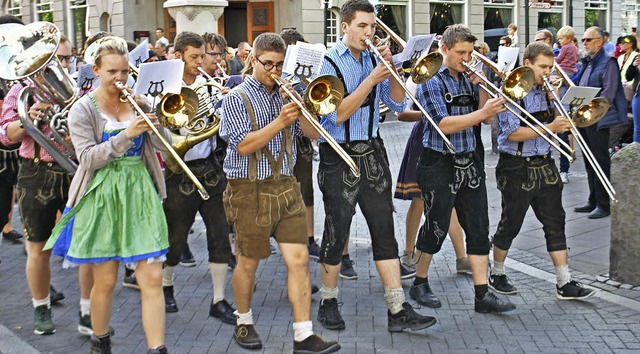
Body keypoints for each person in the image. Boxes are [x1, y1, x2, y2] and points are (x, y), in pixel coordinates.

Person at [43, 36, 170, 353]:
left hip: (139, 193)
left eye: (125, 72)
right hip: (101, 195)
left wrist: (158, 122)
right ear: (96, 70)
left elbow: (165, 146)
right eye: (113, 71)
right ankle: (100, 340)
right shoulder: (82, 110)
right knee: (107, 281)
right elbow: (87, 159)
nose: (120, 79)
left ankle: (158, 349)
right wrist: (126, 135)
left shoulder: (139, 101)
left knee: (152, 278)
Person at [315, 0, 436, 332]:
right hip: (337, 154)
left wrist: (393, 68)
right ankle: (328, 300)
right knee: (337, 229)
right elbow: (335, 115)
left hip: (372, 151)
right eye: (362, 27)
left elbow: (397, 104)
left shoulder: (374, 58)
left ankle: (397, 309)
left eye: (373, 27)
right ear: (345, 27)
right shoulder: (329, 62)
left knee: (384, 231)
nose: (369, 33)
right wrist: (370, 79)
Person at [220, 32, 340, 353]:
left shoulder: (289, 94)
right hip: (249, 189)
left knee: (299, 261)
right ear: (252, 60)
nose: (273, 71)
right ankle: (243, 322)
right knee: (248, 263)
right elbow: (243, 145)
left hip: (285, 185)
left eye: (278, 65)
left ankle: (303, 334)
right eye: (267, 64)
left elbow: (314, 135)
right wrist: (279, 120)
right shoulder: (236, 97)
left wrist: (304, 110)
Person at [409, 23, 516, 314]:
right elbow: (441, 124)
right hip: (438, 161)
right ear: (444, 49)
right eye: (460, 53)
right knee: (436, 225)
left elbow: (485, 120)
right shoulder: (429, 77)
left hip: (471, 160)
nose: (466, 58)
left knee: (479, 228)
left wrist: (482, 86)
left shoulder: (469, 76)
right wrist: (482, 112)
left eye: (470, 52)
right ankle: (419, 282)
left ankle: (482, 295)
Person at [489, 41, 597, 301]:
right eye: (543, 67)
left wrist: (556, 102)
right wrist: (550, 127)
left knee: (555, 222)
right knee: (511, 222)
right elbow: (511, 135)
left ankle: (564, 281)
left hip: (544, 162)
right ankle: (497, 272)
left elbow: (561, 122)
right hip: (516, 164)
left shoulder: (548, 90)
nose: (548, 72)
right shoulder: (512, 90)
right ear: (527, 64)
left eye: (551, 67)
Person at [0, 32, 88, 335]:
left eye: (65, 58)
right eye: (57, 59)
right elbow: (4, 134)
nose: (62, 65)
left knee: (88, 245)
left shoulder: (80, 89)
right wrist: (27, 121)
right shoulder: (21, 90)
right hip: (36, 172)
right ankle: (41, 308)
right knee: (38, 247)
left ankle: (89, 311)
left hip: (75, 171)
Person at [160, 31, 236, 325]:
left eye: (202, 56)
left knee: (219, 233)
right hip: (179, 169)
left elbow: (221, 126)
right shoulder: (165, 87)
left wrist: (226, 104)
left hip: (210, 167)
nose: (200, 62)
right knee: (176, 236)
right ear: (178, 56)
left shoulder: (210, 85)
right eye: (194, 57)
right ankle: (167, 285)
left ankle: (219, 299)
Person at [573, 27, 627, 219]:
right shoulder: (588, 62)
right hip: (587, 117)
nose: (585, 43)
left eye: (589, 39)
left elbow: (608, 93)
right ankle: (593, 200)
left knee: (600, 160)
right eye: (583, 39)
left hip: (599, 118)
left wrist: (592, 111)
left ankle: (604, 204)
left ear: (600, 41)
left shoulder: (608, 61)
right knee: (589, 160)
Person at [279, 28, 322, 260]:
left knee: (306, 189)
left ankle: (308, 238)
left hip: (301, 140)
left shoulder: (304, 79)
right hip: (278, 139)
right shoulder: (276, 73)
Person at [554, 26, 580, 184]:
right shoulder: (575, 48)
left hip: (564, 74)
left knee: (563, 131)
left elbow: (558, 61)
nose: (560, 41)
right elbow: (576, 60)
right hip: (570, 72)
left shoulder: (563, 49)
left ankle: (564, 169)